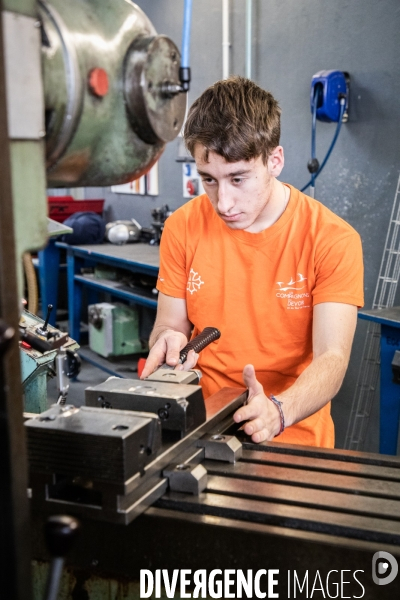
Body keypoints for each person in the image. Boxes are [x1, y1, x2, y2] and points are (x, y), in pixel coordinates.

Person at [141, 76, 364, 448]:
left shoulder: (332, 239)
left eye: (238, 178)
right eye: (209, 180)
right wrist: (167, 339)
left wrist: (278, 410)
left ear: (274, 160)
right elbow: (169, 322)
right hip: (202, 428)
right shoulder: (181, 227)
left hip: (293, 434)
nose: (223, 202)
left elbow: (333, 359)